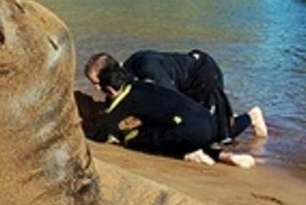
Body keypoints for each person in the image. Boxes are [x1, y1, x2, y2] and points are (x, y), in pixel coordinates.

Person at [87, 61, 254, 167]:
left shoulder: (124, 100)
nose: (95, 89)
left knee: (132, 138)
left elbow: (101, 134)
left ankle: (193, 154)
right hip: (208, 122)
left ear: (107, 87)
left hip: (193, 132)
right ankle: (221, 154)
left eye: (96, 84)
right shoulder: (139, 85)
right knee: (161, 128)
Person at [83, 50, 267, 143]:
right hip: (184, 83)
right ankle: (228, 118)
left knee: (217, 136)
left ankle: (251, 117)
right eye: (94, 85)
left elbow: (173, 102)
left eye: (98, 83)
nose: (98, 88)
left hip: (204, 75)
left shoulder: (146, 67)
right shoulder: (120, 82)